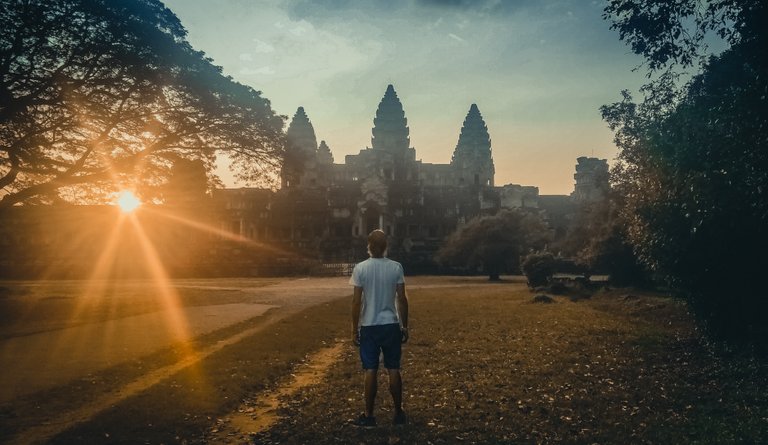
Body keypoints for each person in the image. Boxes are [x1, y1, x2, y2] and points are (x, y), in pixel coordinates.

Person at [350, 229, 409, 427]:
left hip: (369, 325)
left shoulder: (361, 268)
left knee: (370, 370)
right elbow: (402, 299)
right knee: (393, 368)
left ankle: (369, 415)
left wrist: (353, 328)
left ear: (368, 246)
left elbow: (356, 302)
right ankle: (399, 413)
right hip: (391, 324)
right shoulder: (396, 267)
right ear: (386, 246)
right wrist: (405, 325)